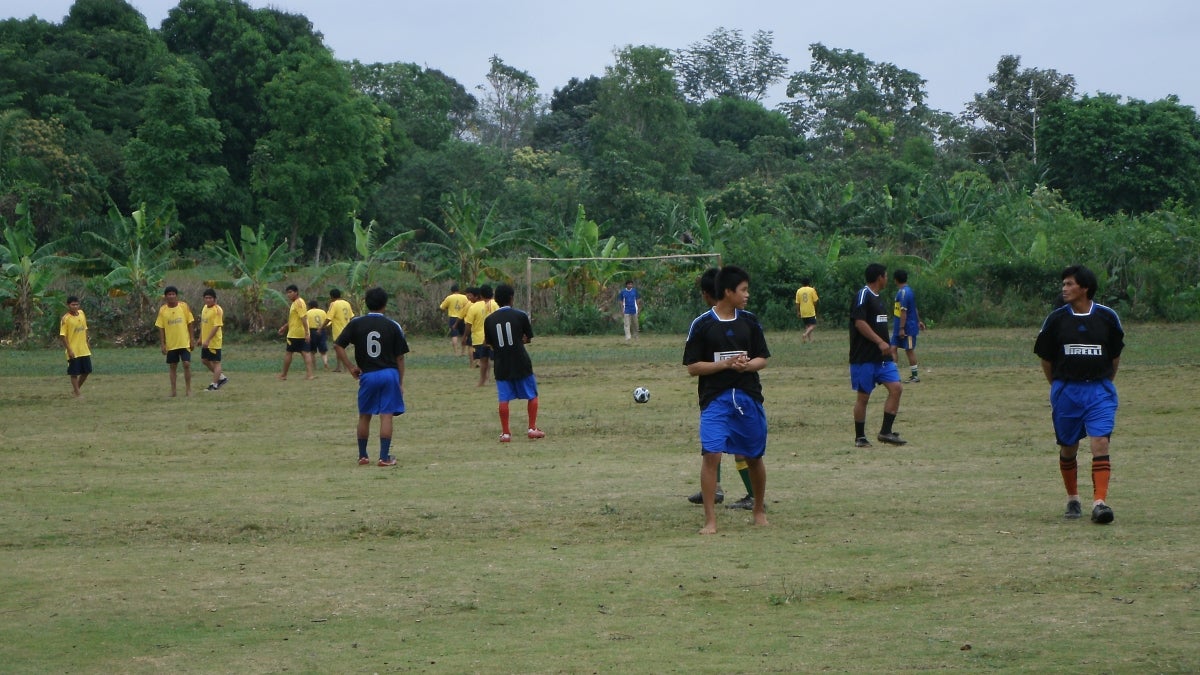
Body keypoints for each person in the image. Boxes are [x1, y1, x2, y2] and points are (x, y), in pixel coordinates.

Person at [683, 265, 770, 535]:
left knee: (754, 457)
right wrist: (725, 365)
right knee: (712, 455)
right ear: (728, 291)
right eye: (743, 290)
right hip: (715, 400)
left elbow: (762, 358)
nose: (747, 295)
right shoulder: (702, 324)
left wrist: (747, 366)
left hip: (747, 398)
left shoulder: (750, 321)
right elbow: (693, 367)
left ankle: (758, 510)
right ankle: (710, 521)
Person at [1034, 265, 1124, 524]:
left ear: (1085, 288)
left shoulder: (1107, 317)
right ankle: (1073, 498)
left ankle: (1100, 503)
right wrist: (1058, 386)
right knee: (1068, 447)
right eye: (1063, 284)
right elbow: (1046, 358)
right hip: (1066, 390)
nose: (1064, 288)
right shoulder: (1056, 319)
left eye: (1070, 284)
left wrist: (1104, 384)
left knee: (1100, 443)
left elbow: (1115, 355)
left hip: (1099, 390)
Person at [333, 286, 410, 467]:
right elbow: (400, 357)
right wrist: (400, 381)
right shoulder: (393, 325)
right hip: (389, 373)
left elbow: (338, 345)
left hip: (367, 374)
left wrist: (351, 366)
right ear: (385, 304)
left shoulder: (356, 324)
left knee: (364, 415)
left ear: (366, 304)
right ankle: (384, 457)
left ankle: (363, 456)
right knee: (386, 415)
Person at [849, 263, 907, 447]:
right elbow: (859, 322)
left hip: (883, 358)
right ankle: (860, 438)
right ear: (879, 277)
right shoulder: (863, 295)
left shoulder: (879, 298)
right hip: (864, 357)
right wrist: (879, 342)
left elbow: (879, 327)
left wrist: (888, 347)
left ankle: (886, 432)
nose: (888, 279)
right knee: (863, 397)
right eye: (886, 276)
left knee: (896, 388)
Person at [484, 284, 545, 442]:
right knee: (532, 395)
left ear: (496, 299)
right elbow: (527, 338)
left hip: (501, 363)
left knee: (503, 399)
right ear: (511, 298)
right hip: (520, 361)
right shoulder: (520, 315)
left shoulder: (489, 320)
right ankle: (532, 428)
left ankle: (505, 433)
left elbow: (488, 343)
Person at [155, 285, 196, 397]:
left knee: (186, 364)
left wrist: (192, 339)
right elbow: (161, 327)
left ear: (176, 296)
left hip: (184, 342)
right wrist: (162, 344)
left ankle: (188, 390)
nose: (171, 296)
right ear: (165, 296)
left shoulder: (184, 307)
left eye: (173, 294)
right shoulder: (163, 310)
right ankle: (173, 391)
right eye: (169, 294)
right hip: (171, 344)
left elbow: (190, 322)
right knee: (173, 366)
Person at [890, 269, 926, 383]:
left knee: (909, 350)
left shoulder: (904, 293)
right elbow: (914, 308)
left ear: (895, 280)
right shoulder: (904, 291)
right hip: (898, 326)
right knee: (892, 348)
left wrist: (902, 328)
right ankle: (894, 376)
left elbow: (904, 312)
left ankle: (915, 376)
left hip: (907, 328)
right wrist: (919, 321)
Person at [463, 284, 499, 387]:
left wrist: (465, 337)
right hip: (494, 337)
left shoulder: (474, 307)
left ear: (480, 295)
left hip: (479, 339)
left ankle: (482, 381)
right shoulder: (496, 304)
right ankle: (496, 379)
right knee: (495, 360)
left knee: (483, 360)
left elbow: (468, 324)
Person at [277, 284, 314, 380]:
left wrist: (307, 333)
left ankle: (284, 375)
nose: (288, 295)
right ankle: (309, 375)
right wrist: (284, 327)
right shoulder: (295, 303)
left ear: (296, 292)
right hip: (299, 333)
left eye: (290, 292)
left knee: (289, 353)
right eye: (287, 293)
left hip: (295, 334)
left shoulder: (298, 303)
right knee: (305, 353)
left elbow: (303, 318)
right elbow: (294, 319)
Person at [59, 295, 92, 397]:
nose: (75, 306)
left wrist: (87, 342)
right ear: (68, 305)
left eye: (77, 304)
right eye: (73, 305)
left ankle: (75, 390)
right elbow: (62, 336)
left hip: (83, 349)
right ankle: (77, 393)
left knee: (86, 371)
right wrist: (69, 350)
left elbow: (85, 328)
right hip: (73, 350)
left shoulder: (82, 314)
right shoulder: (66, 319)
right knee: (74, 373)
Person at [200, 288, 229, 391]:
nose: (208, 300)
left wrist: (208, 340)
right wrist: (201, 338)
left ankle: (214, 384)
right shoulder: (204, 308)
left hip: (214, 341)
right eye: (206, 298)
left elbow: (216, 326)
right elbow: (203, 324)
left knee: (216, 362)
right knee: (204, 360)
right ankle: (221, 377)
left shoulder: (217, 310)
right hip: (205, 341)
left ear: (215, 299)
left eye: (210, 298)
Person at [326, 289, 355, 372]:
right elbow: (351, 316)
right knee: (339, 349)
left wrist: (322, 327)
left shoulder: (334, 304)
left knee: (339, 348)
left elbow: (329, 318)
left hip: (338, 331)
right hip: (347, 329)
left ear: (331, 296)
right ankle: (339, 367)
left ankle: (344, 367)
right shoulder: (346, 303)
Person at [439, 284, 471, 356]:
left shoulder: (449, 298)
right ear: (458, 290)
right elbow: (468, 306)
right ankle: (463, 352)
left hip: (453, 318)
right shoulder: (464, 297)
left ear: (451, 291)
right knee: (464, 335)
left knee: (454, 335)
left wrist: (448, 307)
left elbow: (442, 307)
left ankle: (456, 352)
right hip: (462, 317)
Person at [307, 299, 330, 370]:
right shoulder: (322, 312)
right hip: (322, 330)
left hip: (312, 331)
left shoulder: (307, 313)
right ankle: (325, 363)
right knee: (323, 350)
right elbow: (328, 322)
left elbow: (306, 324)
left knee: (312, 351)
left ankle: (314, 367)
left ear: (309, 306)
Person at [795, 278, 819, 343]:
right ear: (809, 283)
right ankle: (805, 334)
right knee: (813, 325)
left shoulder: (799, 291)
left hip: (803, 311)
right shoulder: (812, 290)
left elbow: (797, 303)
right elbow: (815, 301)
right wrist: (814, 306)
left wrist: (798, 311)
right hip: (810, 310)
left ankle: (810, 340)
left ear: (802, 283)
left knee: (807, 326)